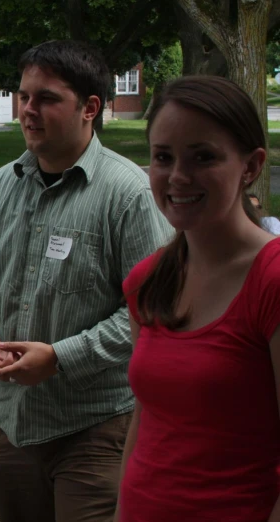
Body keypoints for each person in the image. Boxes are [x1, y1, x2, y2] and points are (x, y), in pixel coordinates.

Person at [0, 40, 171, 522]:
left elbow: (153, 309)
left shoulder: (128, 195)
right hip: (13, 424)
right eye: (24, 96)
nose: (28, 110)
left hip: (97, 429)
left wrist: (61, 359)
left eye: (46, 98)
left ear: (90, 108)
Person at [119, 76, 280, 521]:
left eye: (203, 157)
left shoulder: (272, 281)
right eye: (163, 157)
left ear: (250, 166)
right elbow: (146, 418)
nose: (178, 177)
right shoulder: (146, 281)